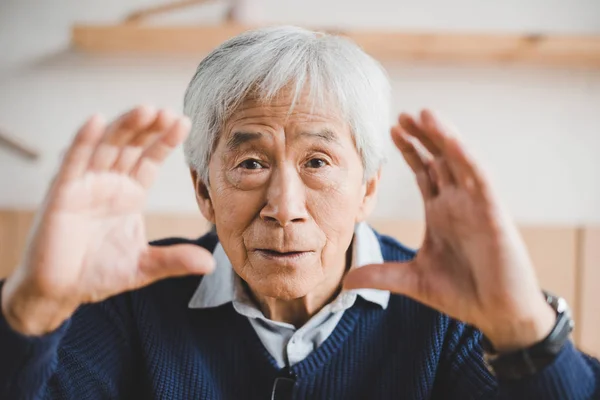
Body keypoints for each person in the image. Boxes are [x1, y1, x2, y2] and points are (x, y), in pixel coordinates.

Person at [0, 25, 598, 400]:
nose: (284, 210)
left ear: (367, 187)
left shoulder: (449, 312)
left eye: (317, 161)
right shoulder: (128, 305)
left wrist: (526, 331)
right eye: (251, 163)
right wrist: (32, 307)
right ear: (203, 190)